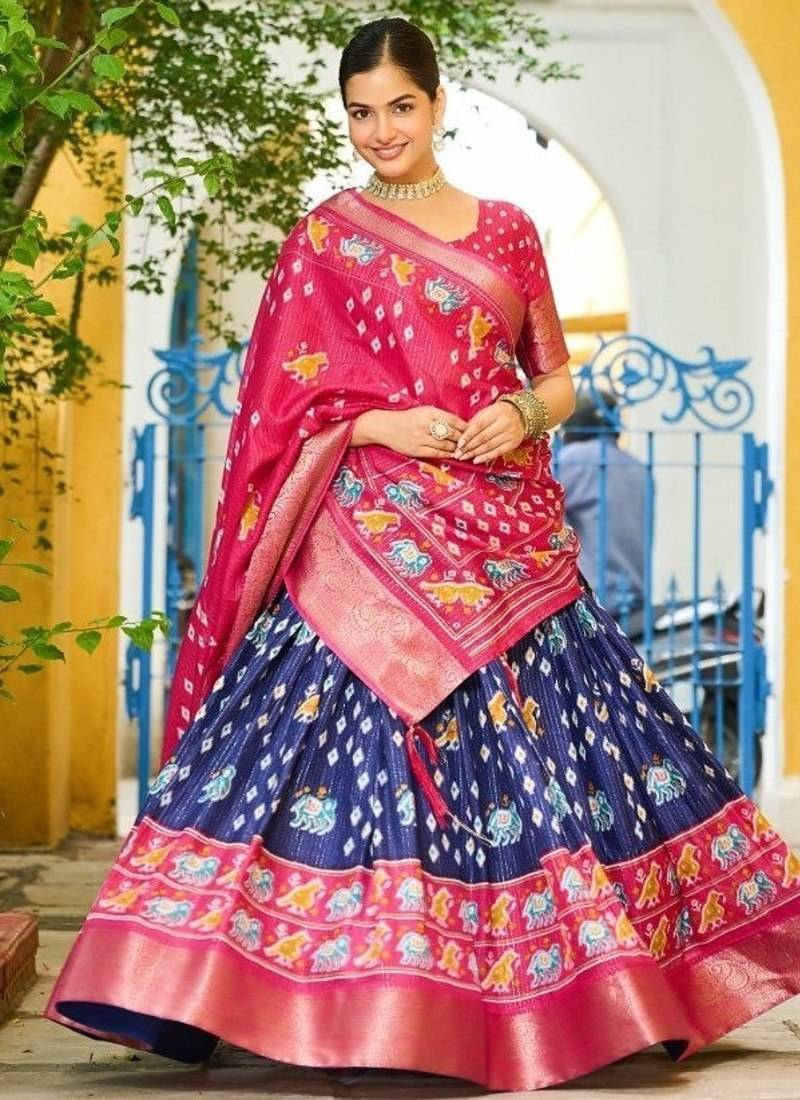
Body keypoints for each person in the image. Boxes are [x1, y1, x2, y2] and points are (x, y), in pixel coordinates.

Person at [45, 17, 800, 1093]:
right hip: (360, 534)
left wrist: (518, 412)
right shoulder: (323, 239)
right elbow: (277, 406)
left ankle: (552, 994)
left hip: (502, 539)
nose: (381, 131)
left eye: (400, 107)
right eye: (361, 112)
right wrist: (371, 424)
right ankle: (336, 995)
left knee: (546, 752)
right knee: (311, 743)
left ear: (436, 104)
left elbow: (557, 378)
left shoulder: (507, 231)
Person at [556, 391, 652, 616]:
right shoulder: (637, 467)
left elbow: (536, 507)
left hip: (592, 599)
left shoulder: (572, 459)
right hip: (633, 596)